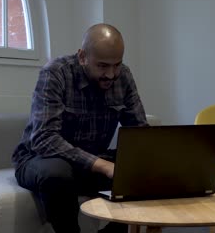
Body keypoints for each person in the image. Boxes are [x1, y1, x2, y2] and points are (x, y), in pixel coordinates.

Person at [12, 23, 148, 233]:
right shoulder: (56, 73)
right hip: (39, 159)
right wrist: (102, 165)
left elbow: (139, 132)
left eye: (117, 65)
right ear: (82, 56)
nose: (111, 75)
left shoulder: (124, 76)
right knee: (57, 174)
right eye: (103, 66)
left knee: (145, 170)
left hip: (91, 161)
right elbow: (44, 138)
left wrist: (152, 159)